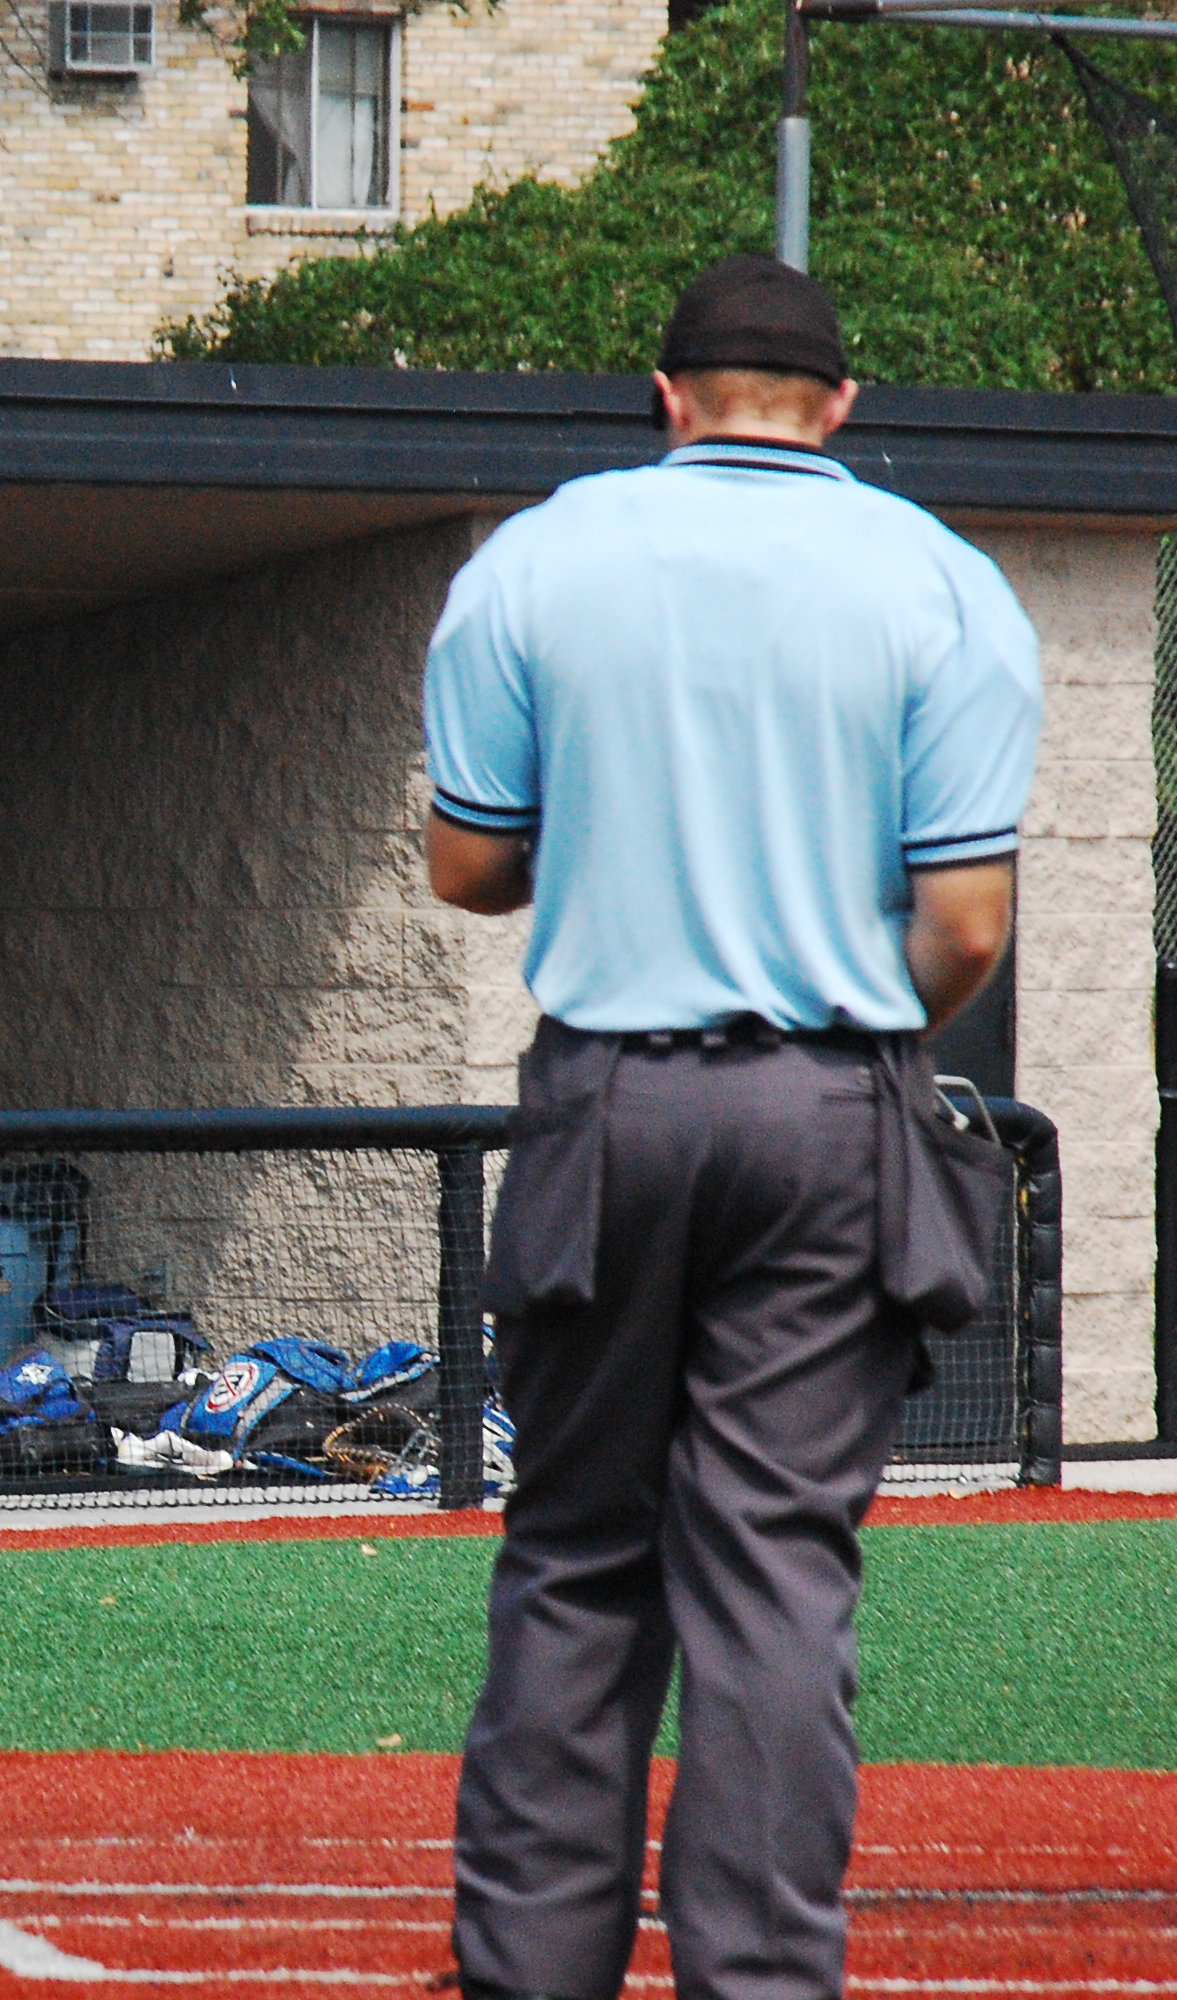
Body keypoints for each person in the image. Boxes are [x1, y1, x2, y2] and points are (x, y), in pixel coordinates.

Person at [423, 257, 1040, 2000]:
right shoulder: (942, 581)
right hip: (830, 1098)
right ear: (838, 405)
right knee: (773, 1571)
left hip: (607, 1097)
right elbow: (967, 926)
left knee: (575, 1555)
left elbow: (466, 862)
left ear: (667, 394)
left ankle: (528, 1973)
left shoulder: (535, 558)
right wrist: (839, 1017)